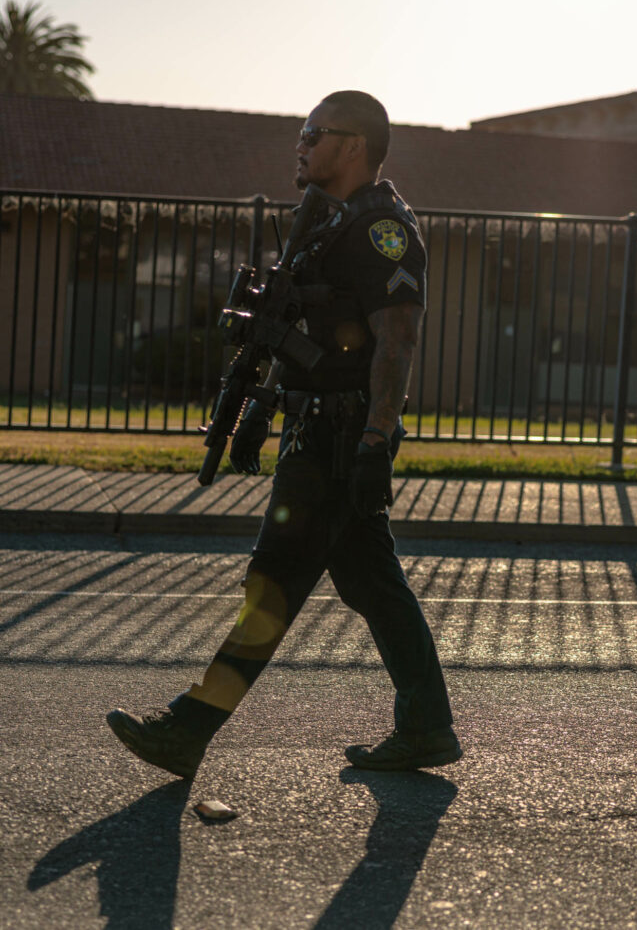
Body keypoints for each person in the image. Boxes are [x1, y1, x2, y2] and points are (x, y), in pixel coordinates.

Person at [106, 90, 461, 777]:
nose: (300, 142)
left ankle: (189, 727)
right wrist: (264, 410)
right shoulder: (328, 224)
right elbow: (311, 338)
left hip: (340, 442)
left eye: (314, 132)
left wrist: (374, 442)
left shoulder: (382, 229)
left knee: (274, 581)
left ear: (353, 145)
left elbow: (398, 340)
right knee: (372, 584)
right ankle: (427, 725)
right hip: (313, 430)